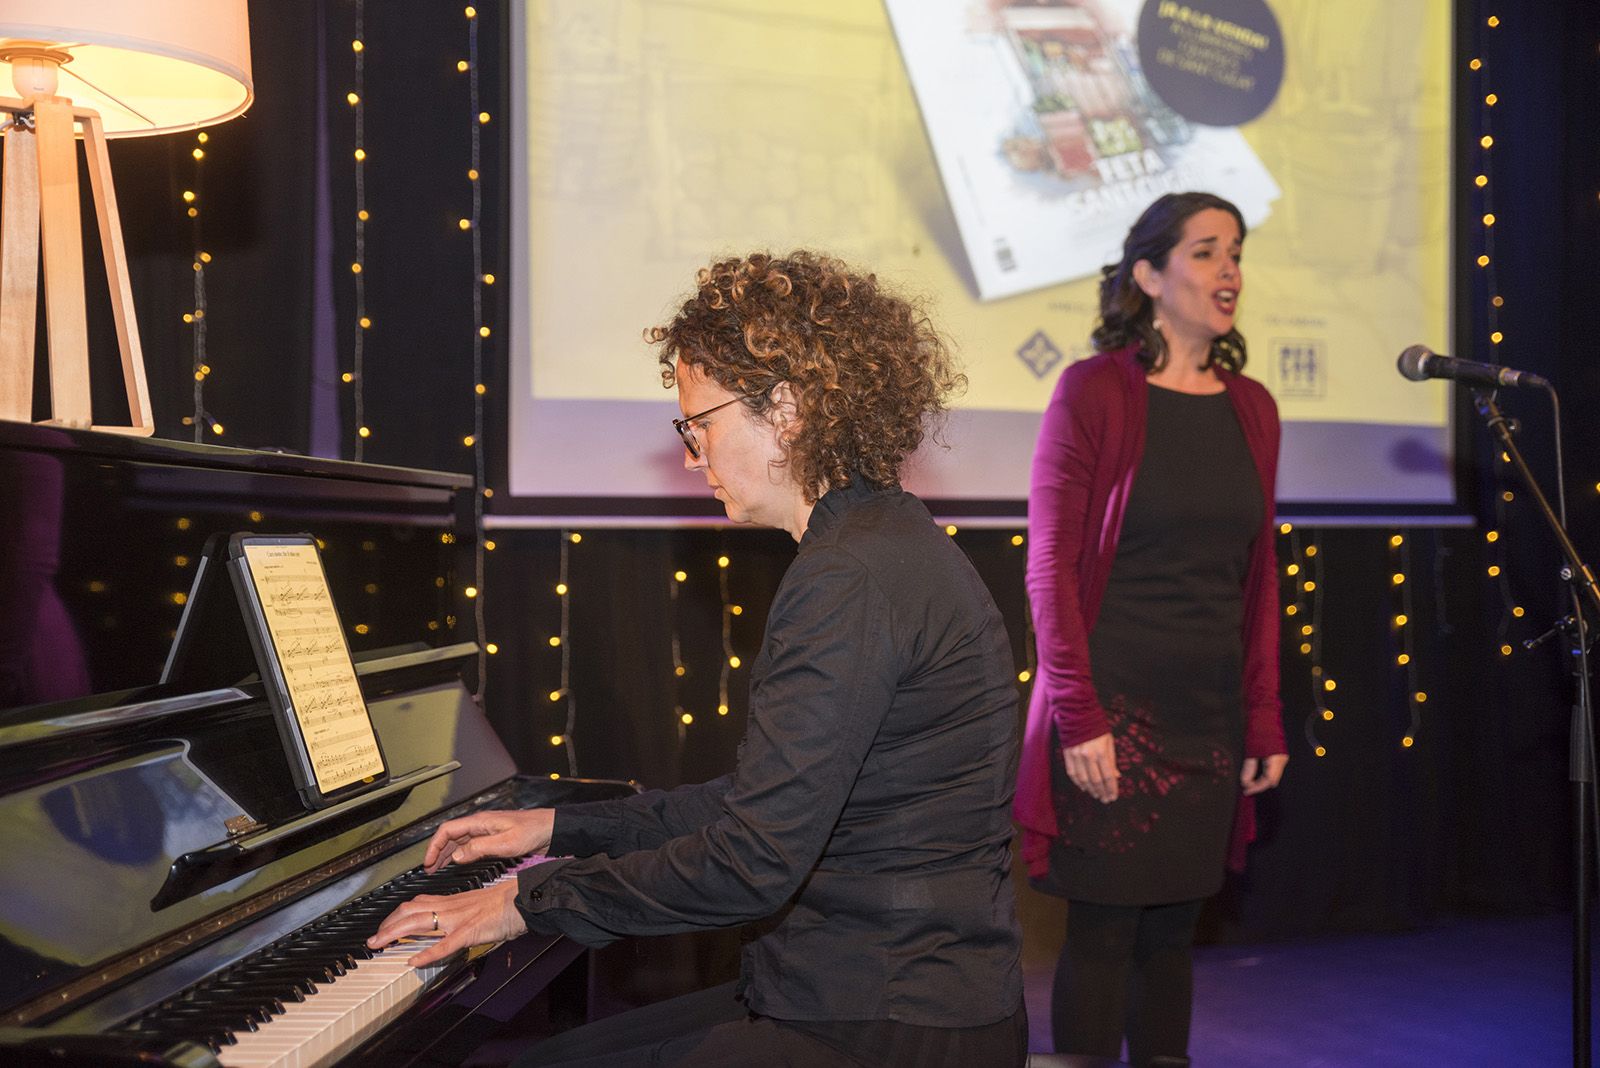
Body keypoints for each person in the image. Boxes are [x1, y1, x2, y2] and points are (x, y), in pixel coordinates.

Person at [368, 250, 1027, 1067]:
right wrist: (559, 826)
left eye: (699, 425)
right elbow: (761, 806)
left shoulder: (848, 578)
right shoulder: (882, 543)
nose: (693, 457)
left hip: (882, 1018)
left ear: (785, 407)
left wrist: (523, 903)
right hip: (884, 992)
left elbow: (751, 864)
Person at [1012, 192, 1289, 1067]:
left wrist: (1264, 714)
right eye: (1206, 252)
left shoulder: (1253, 406)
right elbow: (1050, 570)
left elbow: (1257, 579)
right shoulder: (1091, 391)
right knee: (1103, 932)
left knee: (1173, 937)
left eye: (1236, 252)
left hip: (1206, 717)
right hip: (1113, 713)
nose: (1230, 270)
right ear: (1148, 274)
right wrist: (1079, 715)